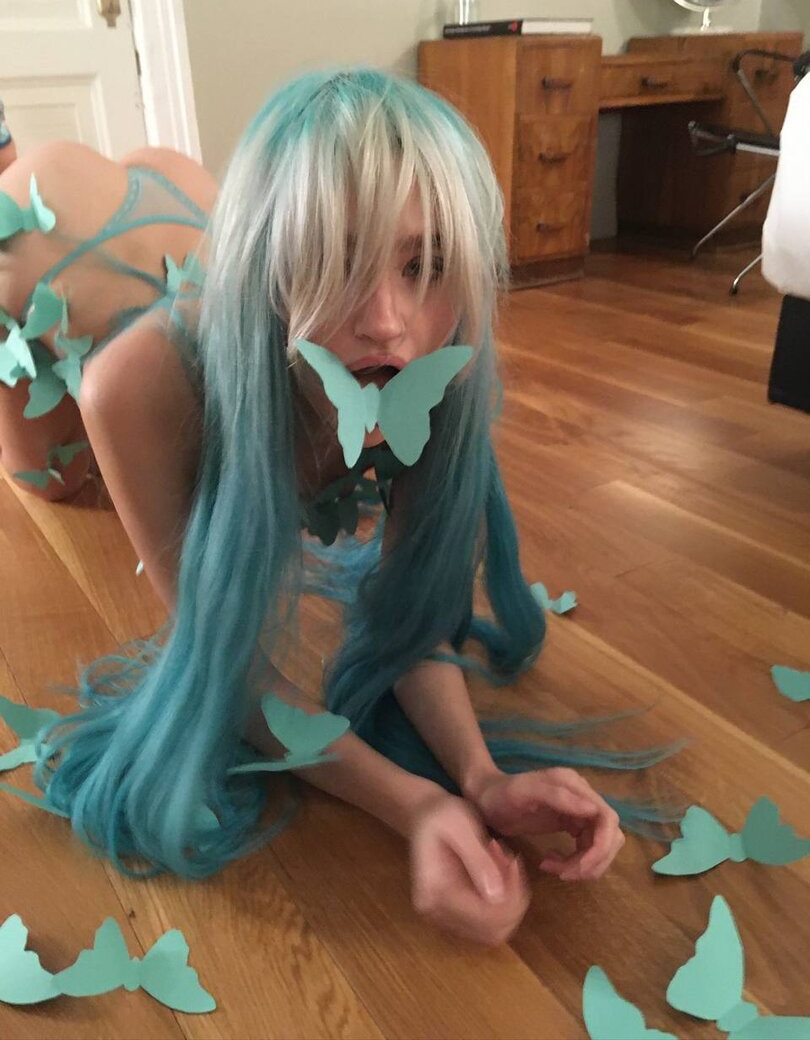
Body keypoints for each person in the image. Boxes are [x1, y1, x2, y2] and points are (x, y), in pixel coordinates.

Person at [4, 68, 674, 947]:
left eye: (425, 263)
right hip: (35, 249)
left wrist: (477, 779)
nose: (388, 323)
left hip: (189, 215)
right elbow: (223, 663)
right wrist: (409, 805)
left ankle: (210, 202)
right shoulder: (132, 383)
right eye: (336, 257)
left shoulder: (438, 360)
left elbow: (409, 620)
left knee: (192, 194)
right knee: (52, 483)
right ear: (270, 263)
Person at [0, 121, 216, 501]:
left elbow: (50, 475)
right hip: (298, 429)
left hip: (202, 482)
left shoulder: (10, 239)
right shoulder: (159, 163)